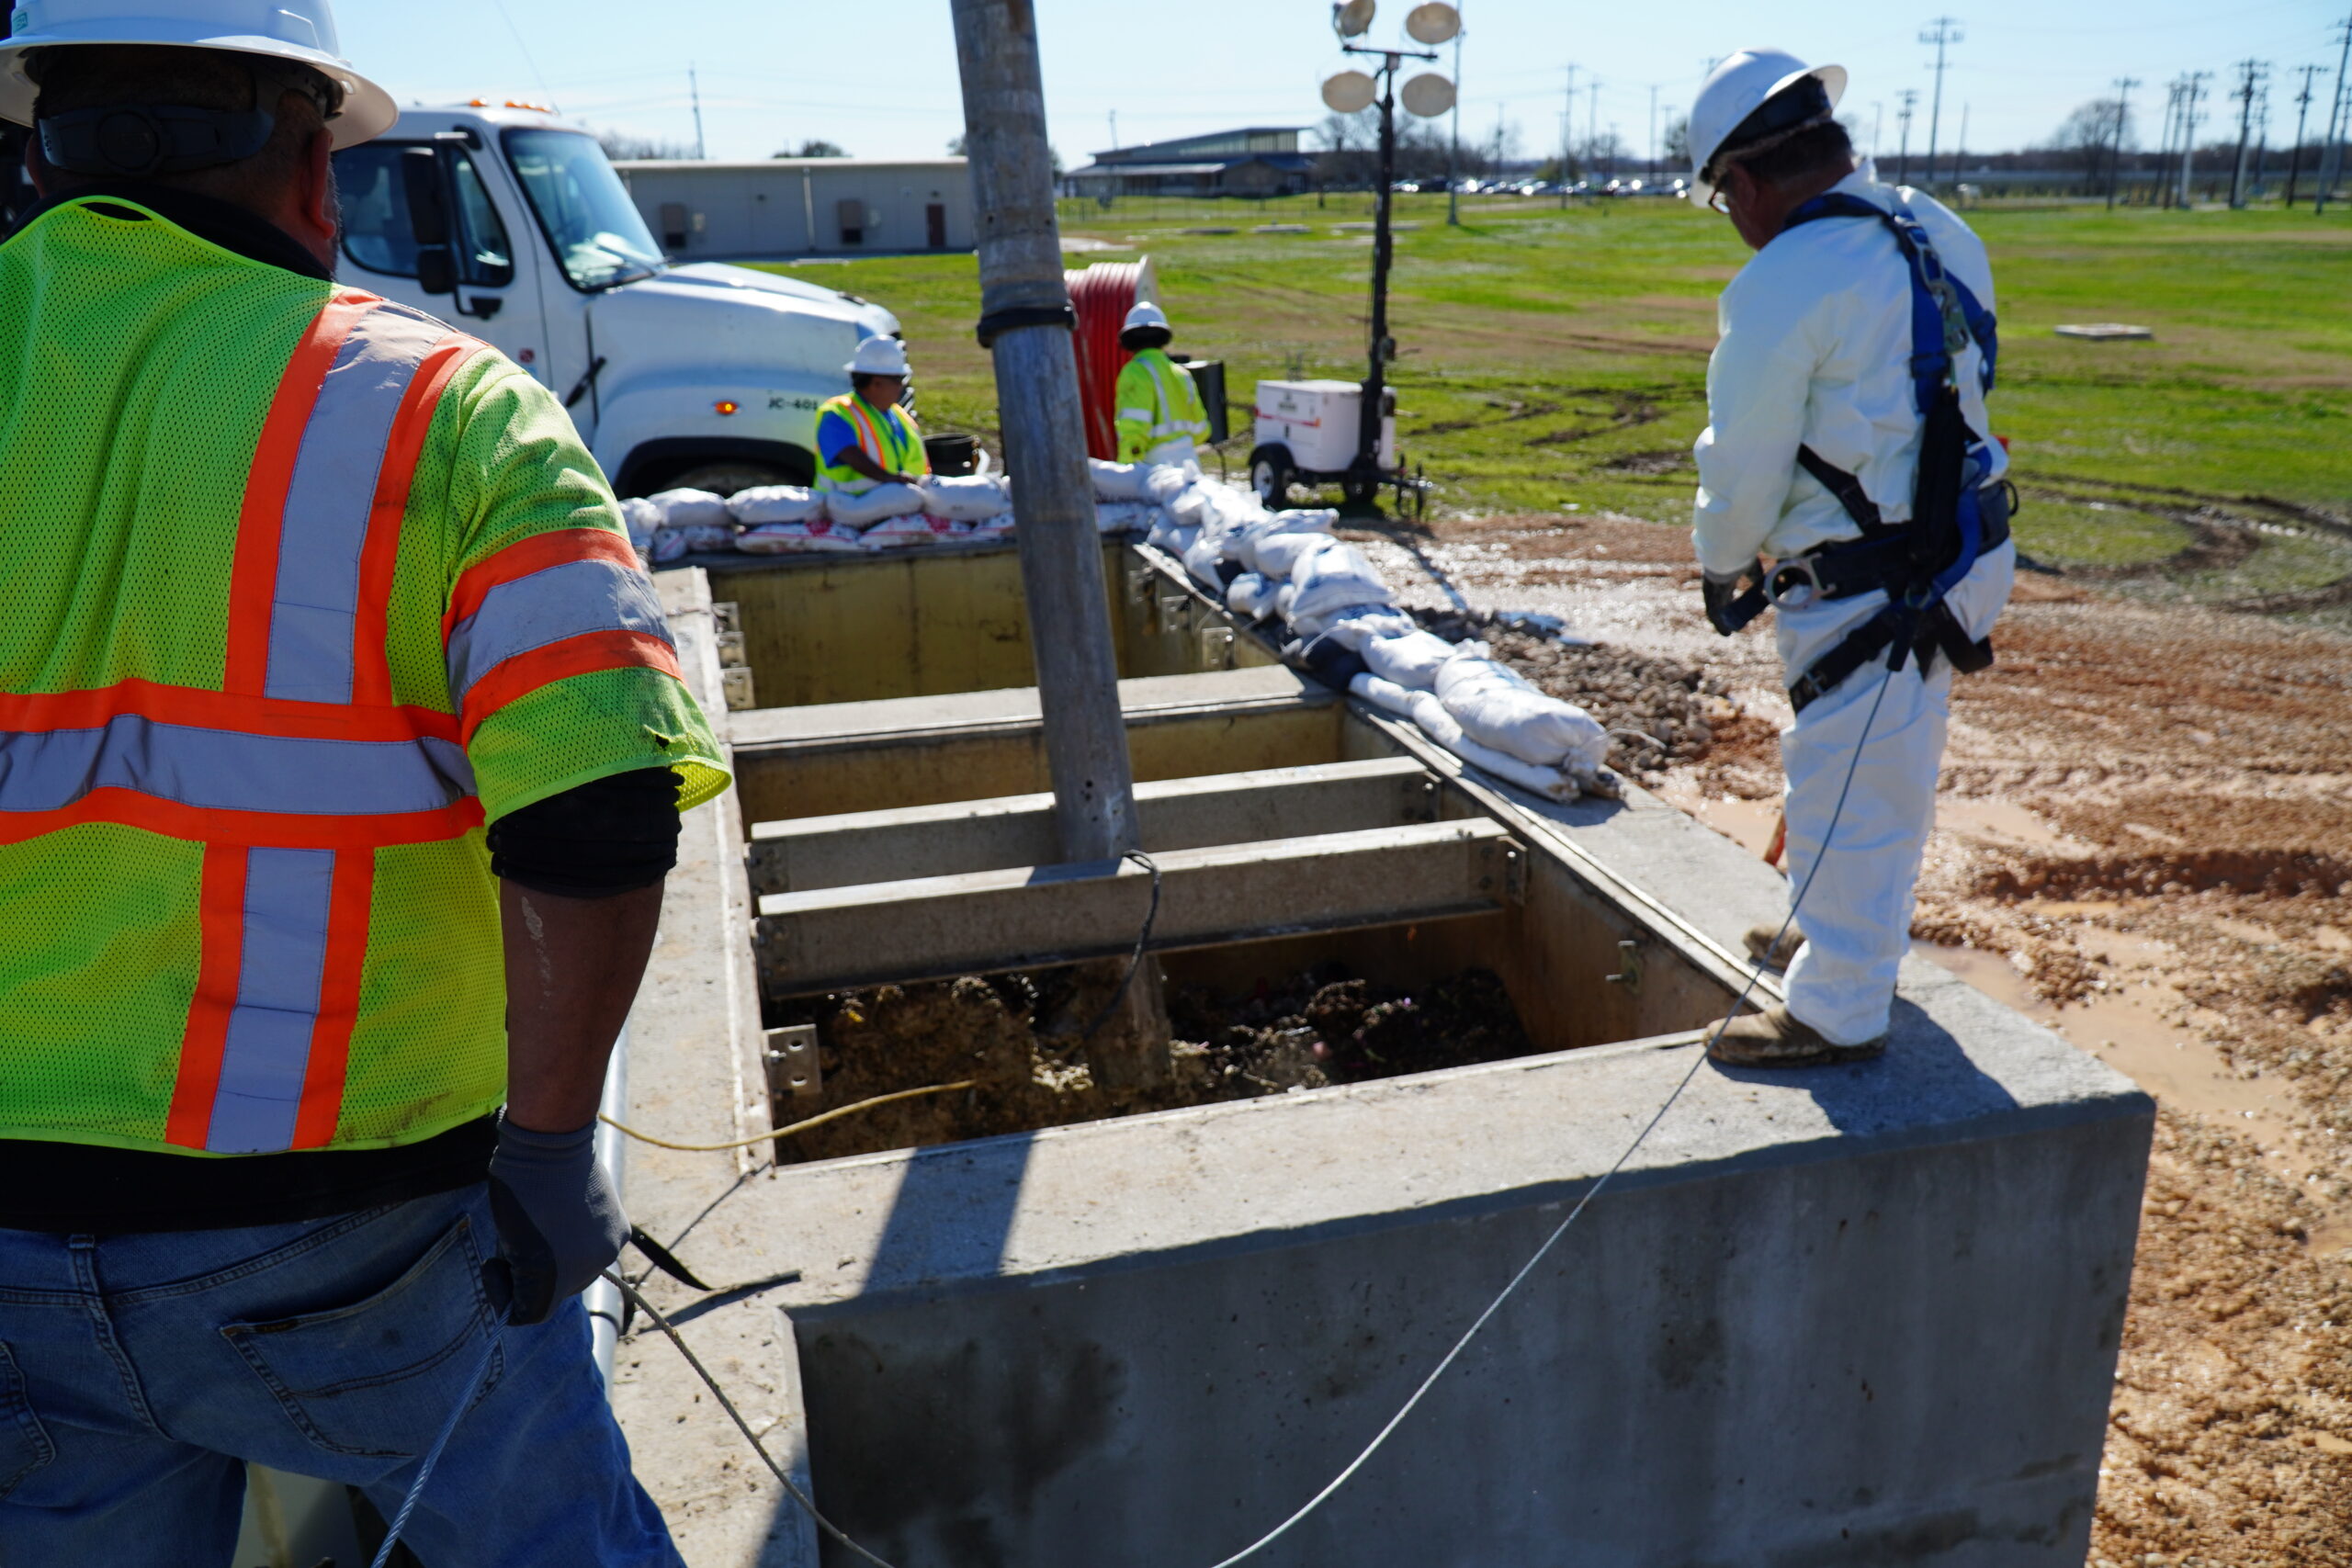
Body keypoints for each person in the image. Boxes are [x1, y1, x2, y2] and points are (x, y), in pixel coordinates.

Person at [0, 2, 729, 1561]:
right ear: (313, 165)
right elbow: (596, 807)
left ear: (46, 135)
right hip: (362, 1237)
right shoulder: (446, 411)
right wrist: (545, 1155)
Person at [1683, 49, 2016, 1067]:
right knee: (1861, 756)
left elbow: (1740, 459)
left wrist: (1720, 561)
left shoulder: (1780, 280)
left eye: (1721, 200)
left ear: (1741, 181)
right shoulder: (1930, 224)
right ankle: (1822, 936)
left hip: (1878, 575)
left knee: (1855, 775)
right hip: (1960, 546)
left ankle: (1835, 1007)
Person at [815, 334, 929, 494]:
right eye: (898, 379)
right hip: (849, 508)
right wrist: (889, 478)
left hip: (902, 505)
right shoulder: (837, 413)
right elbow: (846, 452)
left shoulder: (900, 416)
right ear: (876, 383)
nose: (901, 386)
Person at [1114, 300, 1209, 467]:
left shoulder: (1135, 371)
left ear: (1129, 340)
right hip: (1190, 464)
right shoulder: (1182, 374)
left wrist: (1125, 468)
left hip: (1155, 469)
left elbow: (1134, 428)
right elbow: (1202, 431)